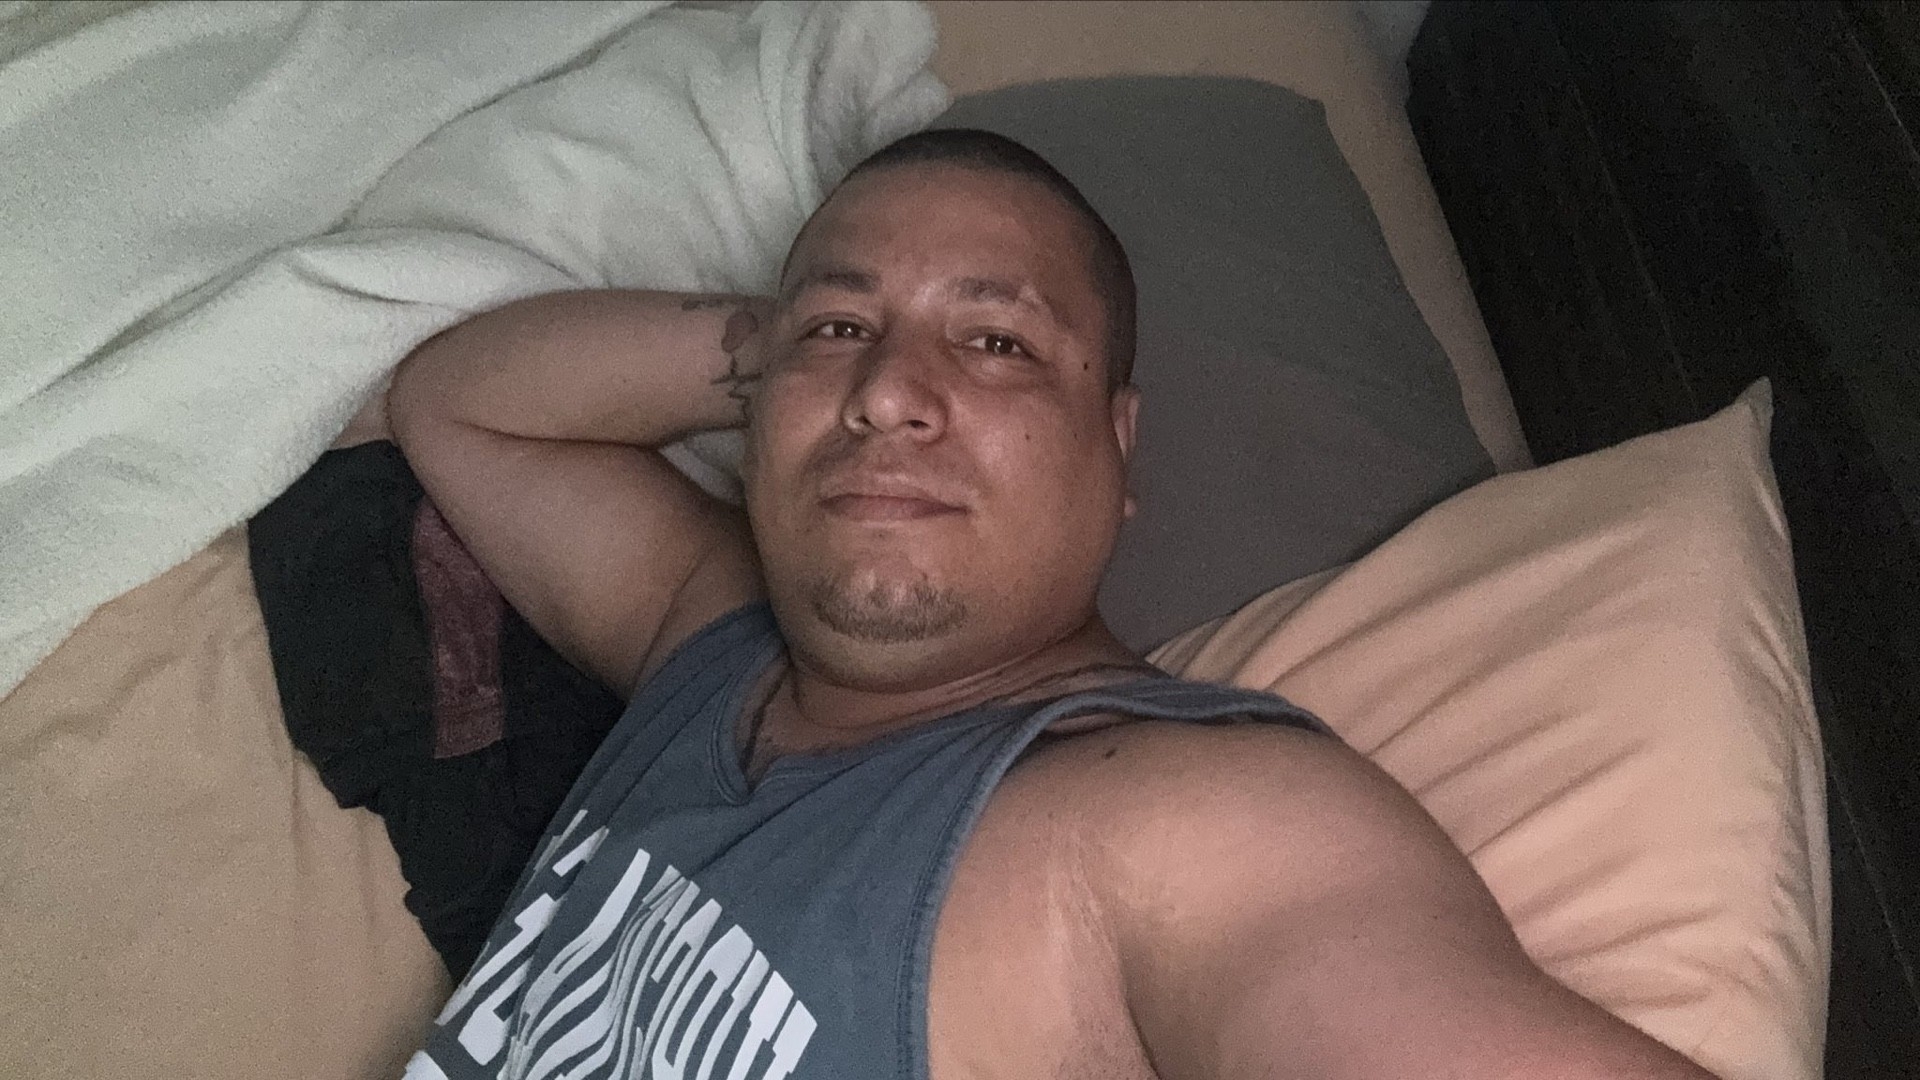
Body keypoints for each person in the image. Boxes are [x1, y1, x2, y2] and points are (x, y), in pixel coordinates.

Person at [389, 129, 1716, 1080]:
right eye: (844, 333)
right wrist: (793, 341)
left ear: (1117, 446)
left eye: (998, 342)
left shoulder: (1174, 830)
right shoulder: (707, 634)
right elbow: (457, 403)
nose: (887, 394)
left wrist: (840, 340)